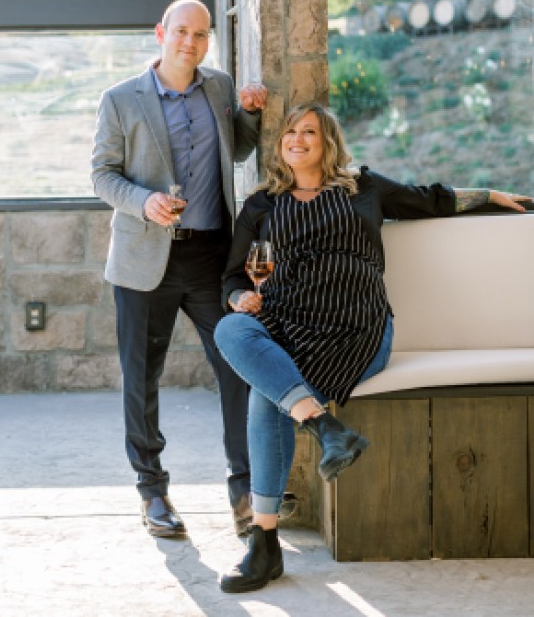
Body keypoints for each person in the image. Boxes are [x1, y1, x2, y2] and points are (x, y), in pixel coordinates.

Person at [214, 101, 531, 593]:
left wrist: (489, 195)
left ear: (328, 142)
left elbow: (431, 200)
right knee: (229, 330)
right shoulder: (261, 205)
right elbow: (234, 277)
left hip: (355, 328)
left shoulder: (363, 187)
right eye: (290, 132)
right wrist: (240, 297)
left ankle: (264, 542)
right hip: (284, 324)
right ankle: (324, 428)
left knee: (266, 394)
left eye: (310, 132)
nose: (297, 140)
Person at [91, 0, 267, 539]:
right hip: (145, 259)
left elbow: (238, 150)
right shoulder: (120, 99)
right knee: (142, 378)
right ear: (160, 33)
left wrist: (250, 113)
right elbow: (102, 174)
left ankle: (245, 488)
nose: (191, 42)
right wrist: (143, 201)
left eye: (201, 34)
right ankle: (152, 491)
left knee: (238, 365)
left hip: (212, 256)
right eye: (182, 32)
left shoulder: (219, 87)